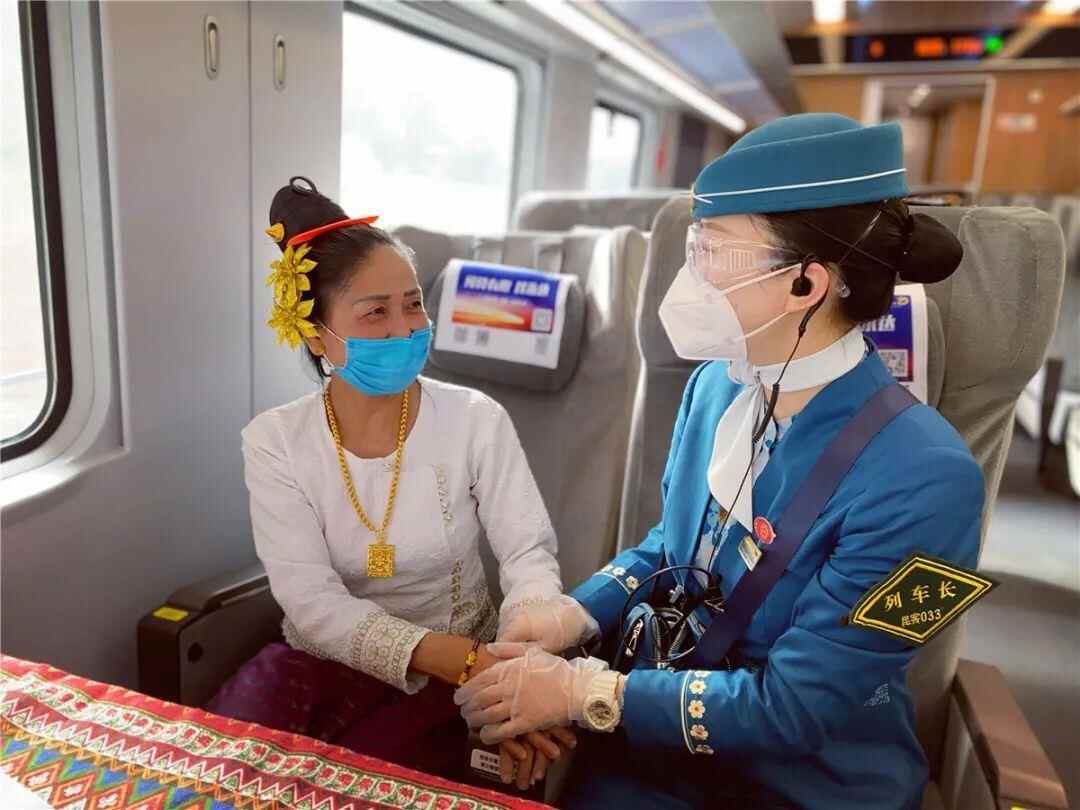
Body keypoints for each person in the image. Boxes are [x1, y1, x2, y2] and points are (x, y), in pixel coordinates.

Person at [455, 114, 985, 810]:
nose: (692, 277)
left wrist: (584, 692)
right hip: (655, 751)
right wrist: (575, 614)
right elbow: (675, 548)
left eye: (714, 253)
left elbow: (795, 709)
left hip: (802, 786)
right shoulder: (717, 386)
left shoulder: (932, 480)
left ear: (806, 285)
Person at [208, 177, 575, 788]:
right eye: (376, 311)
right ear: (315, 334)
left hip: (458, 669)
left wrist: (516, 674)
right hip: (324, 664)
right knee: (225, 777)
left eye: (413, 304)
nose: (405, 328)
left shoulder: (474, 419)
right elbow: (311, 603)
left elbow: (526, 553)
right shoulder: (275, 441)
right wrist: (464, 663)